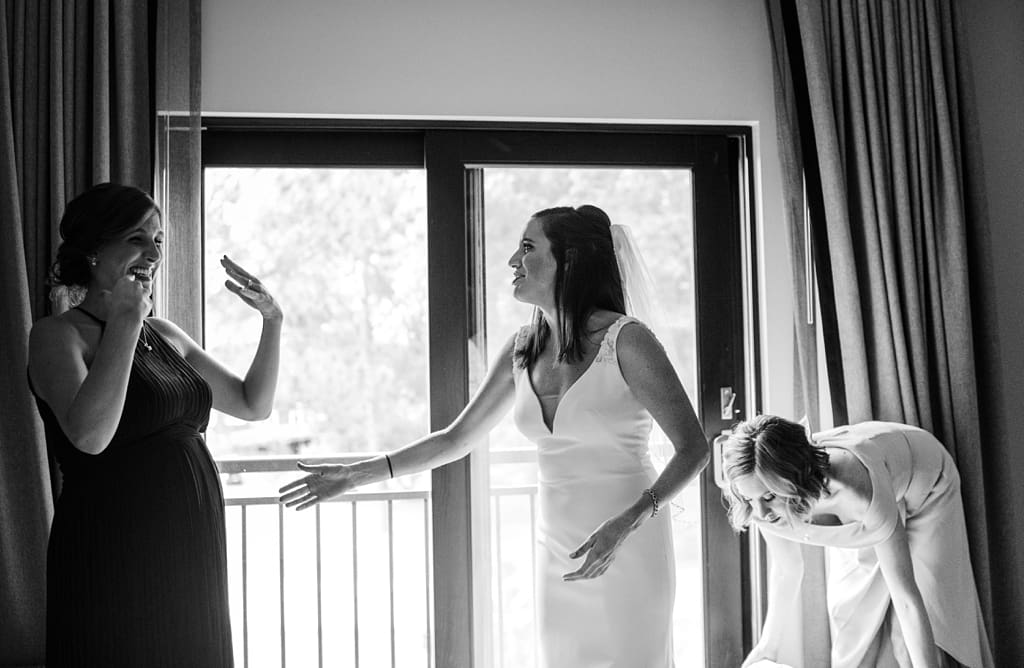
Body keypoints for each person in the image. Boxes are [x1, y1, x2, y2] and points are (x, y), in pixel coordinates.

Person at [280, 205, 709, 667]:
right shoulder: (522, 347)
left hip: (630, 546)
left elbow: (693, 449)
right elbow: (455, 438)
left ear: (572, 261)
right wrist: (355, 474)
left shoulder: (627, 341)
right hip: (558, 552)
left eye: (527, 248)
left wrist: (627, 522)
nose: (512, 261)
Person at [27, 183, 283, 667]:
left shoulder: (164, 334)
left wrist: (273, 321)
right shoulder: (56, 336)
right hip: (113, 548)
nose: (153, 253)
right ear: (94, 250)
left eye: (159, 240)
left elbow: (253, 404)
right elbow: (89, 436)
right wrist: (124, 321)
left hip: (190, 544)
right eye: (136, 239)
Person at [720, 415, 994, 668]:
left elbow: (906, 596)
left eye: (769, 498)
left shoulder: (857, 492)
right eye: (748, 499)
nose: (761, 514)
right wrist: (768, 647)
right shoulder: (760, 500)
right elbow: (787, 570)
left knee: (927, 621)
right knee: (851, 618)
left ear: (794, 480)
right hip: (849, 491)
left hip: (924, 482)